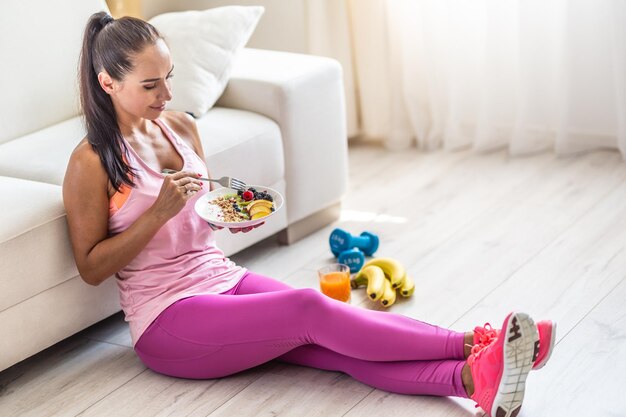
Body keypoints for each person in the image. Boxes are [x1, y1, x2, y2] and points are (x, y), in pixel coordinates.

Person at [63, 12, 556, 417]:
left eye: (168, 79)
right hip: (166, 319)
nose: (166, 96)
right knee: (310, 308)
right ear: (108, 81)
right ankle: (478, 343)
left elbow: (201, 211)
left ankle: (473, 379)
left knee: (331, 342)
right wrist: (155, 215)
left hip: (219, 277)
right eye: (151, 86)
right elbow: (90, 267)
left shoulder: (180, 129)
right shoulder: (91, 162)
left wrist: (232, 215)